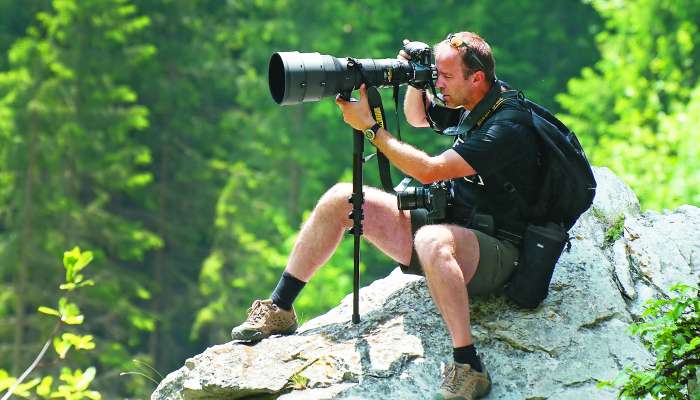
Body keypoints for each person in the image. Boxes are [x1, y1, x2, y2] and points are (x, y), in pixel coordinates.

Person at [230, 31, 541, 400]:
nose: (439, 85)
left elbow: (429, 170)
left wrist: (372, 129)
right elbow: (417, 117)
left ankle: (468, 364)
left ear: (477, 77)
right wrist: (416, 78)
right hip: (455, 221)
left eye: (445, 77)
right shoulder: (469, 96)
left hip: (500, 249)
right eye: (436, 75)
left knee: (429, 239)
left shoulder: (507, 124)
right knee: (340, 199)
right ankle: (280, 308)